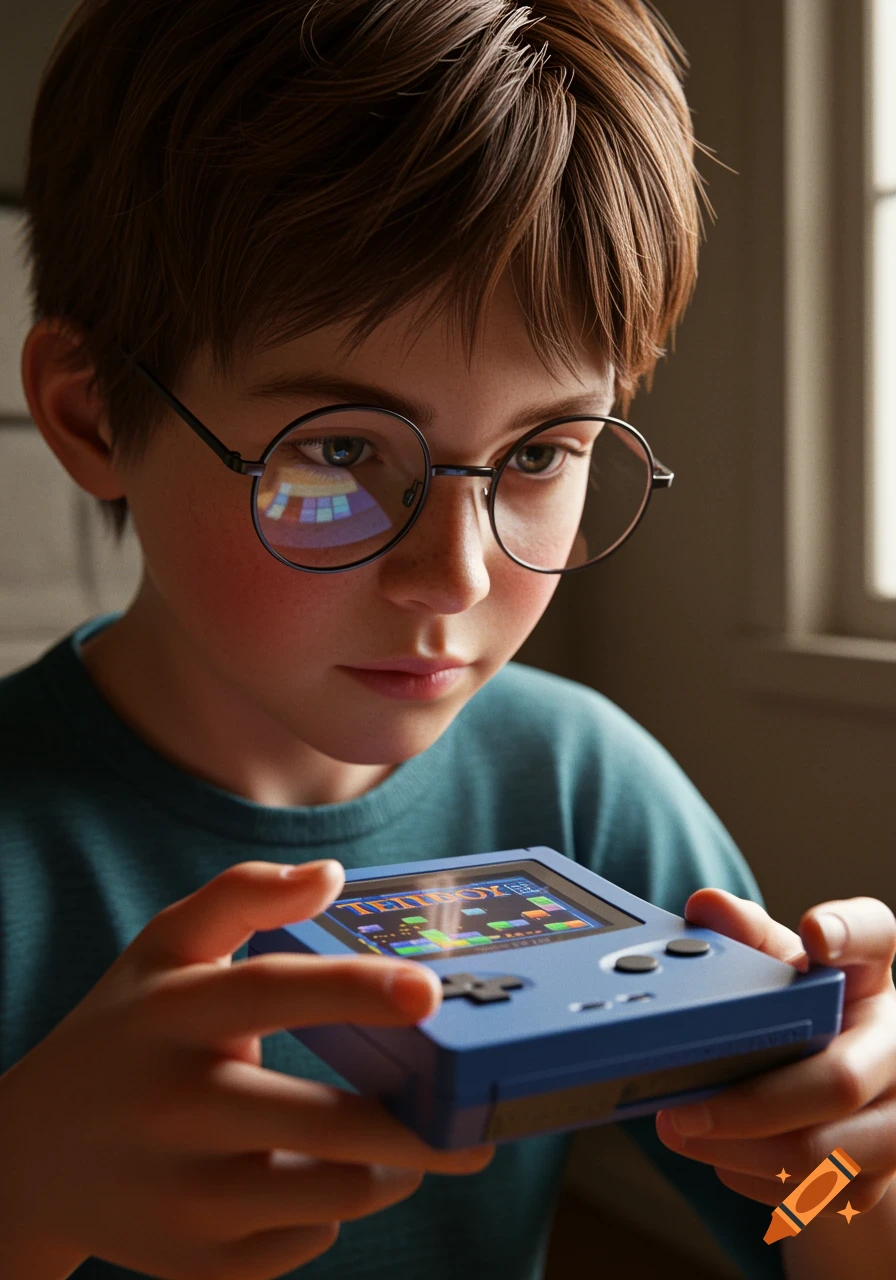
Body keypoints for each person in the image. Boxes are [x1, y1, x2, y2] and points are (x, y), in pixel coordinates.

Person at [3, 2, 895, 1279]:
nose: (457, 574)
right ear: (92, 417)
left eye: (538, 453)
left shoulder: (582, 785)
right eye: (340, 452)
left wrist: (844, 1174)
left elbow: (799, 1233)